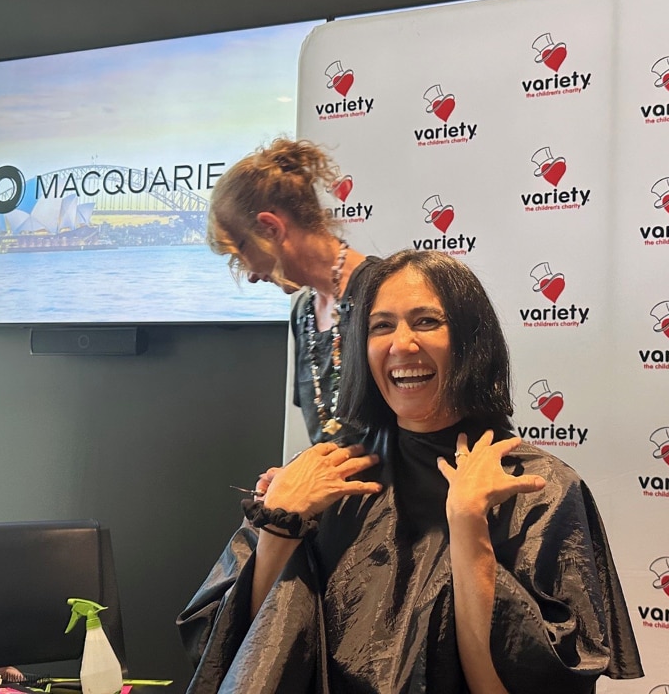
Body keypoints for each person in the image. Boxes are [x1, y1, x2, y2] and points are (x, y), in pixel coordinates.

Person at [178, 250, 642, 694]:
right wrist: (279, 525)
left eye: (426, 321)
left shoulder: (540, 490)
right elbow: (233, 658)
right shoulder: (324, 476)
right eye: (382, 327)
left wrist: (468, 528)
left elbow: (500, 686)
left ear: (469, 340)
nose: (402, 344)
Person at [208, 138, 375, 444]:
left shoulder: (383, 293)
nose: (251, 277)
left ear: (271, 228)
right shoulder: (304, 312)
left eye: (239, 254)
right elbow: (328, 441)